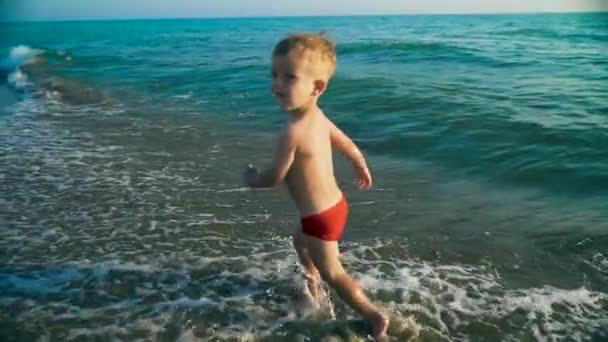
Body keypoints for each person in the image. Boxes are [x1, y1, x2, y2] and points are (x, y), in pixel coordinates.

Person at [244, 33, 389, 340]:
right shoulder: (320, 118)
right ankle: (310, 279)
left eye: (289, 77)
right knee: (300, 242)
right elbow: (346, 143)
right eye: (274, 75)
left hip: (320, 218)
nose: (277, 84)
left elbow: (274, 177)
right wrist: (360, 164)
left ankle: (372, 315)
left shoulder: (292, 132)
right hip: (334, 206)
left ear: (317, 87)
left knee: (334, 272)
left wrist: (253, 178)